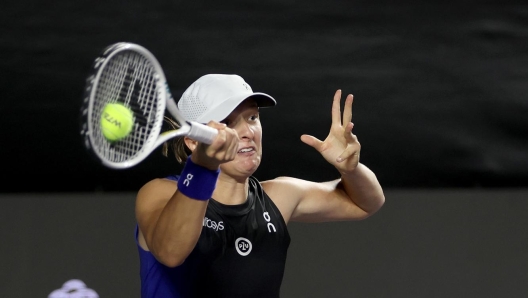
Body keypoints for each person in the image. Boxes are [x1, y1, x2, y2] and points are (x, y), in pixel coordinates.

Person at [135, 74, 385, 298]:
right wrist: (203, 166)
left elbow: (365, 204)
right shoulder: (160, 193)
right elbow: (170, 252)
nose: (247, 131)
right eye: (229, 122)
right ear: (192, 141)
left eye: (253, 117)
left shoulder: (279, 195)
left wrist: (349, 169)